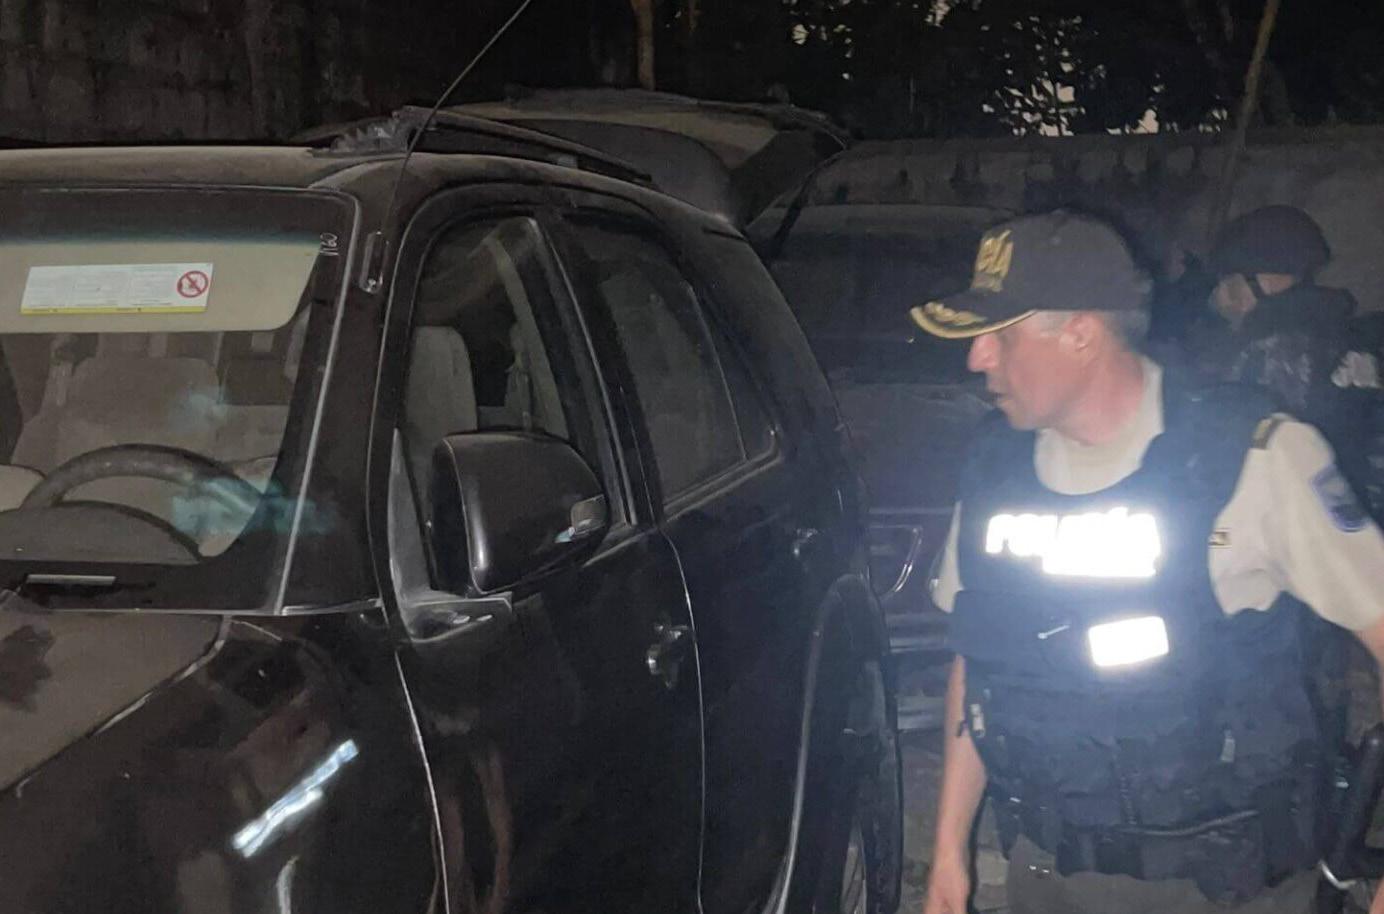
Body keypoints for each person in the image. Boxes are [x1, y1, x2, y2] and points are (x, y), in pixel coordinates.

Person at [910, 211, 1384, 914]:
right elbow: (979, 664)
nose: (977, 359)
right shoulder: (995, 469)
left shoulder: (1251, 458)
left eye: (999, 336)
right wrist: (949, 851)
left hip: (1224, 886)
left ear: (1080, 333)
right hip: (1048, 873)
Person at [1203, 205, 1380, 493]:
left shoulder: (1277, 346)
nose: (1221, 296)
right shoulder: (1341, 334)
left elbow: (1239, 458)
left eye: (1230, 282)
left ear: (1270, 281)